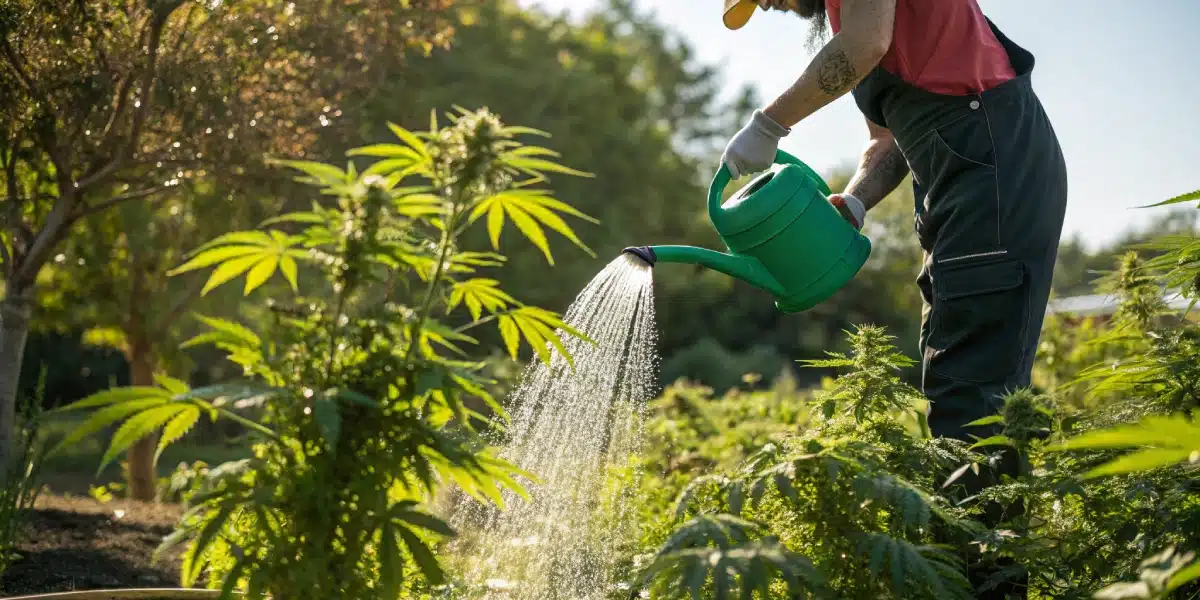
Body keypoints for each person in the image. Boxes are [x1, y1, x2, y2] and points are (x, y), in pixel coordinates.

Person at [719, 0, 1068, 597]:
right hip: (958, 183)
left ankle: (988, 585)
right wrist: (854, 202)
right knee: (952, 382)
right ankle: (972, 575)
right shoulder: (845, 14)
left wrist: (770, 123)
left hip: (992, 171)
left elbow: (864, 46)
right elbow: (889, 141)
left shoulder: (859, 24)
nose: (772, 5)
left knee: (971, 396)